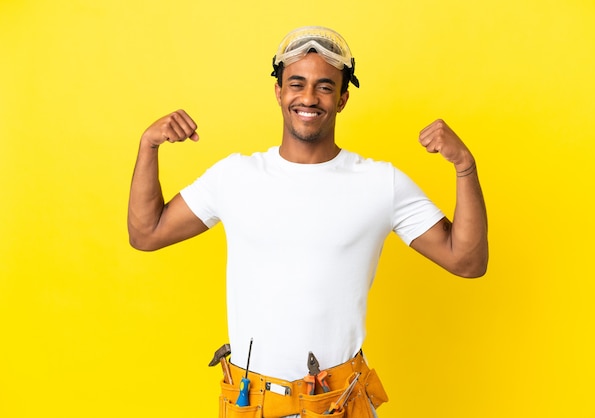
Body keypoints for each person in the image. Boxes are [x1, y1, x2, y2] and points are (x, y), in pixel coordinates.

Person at [128, 26, 488, 418]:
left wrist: (465, 167)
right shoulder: (234, 177)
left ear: (343, 98)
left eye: (324, 87)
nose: (309, 97)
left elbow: (467, 261)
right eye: (296, 83)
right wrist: (149, 145)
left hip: (338, 402)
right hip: (253, 403)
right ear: (279, 92)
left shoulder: (380, 183)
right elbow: (146, 233)